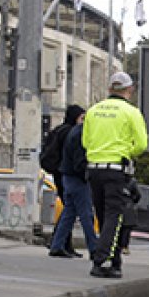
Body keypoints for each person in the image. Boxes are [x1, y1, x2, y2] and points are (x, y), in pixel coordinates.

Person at [82, 71, 149, 278]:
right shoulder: (131, 112)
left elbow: (85, 142)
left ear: (110, 89)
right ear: (129, 90)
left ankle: (114, 259)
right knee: (115, 215)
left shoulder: (93, 111)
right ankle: (102, 260)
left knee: (102, 215)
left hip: (94, 168)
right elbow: (141, 145)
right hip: (116, 170)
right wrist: (125, 152)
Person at [49, 108, 100, 259]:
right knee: (86, 214)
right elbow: (80, 161)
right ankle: (93, 248)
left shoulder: (73, 131)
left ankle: (57, 245)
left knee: (69, 213)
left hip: (67, 176)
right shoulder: (81, 134)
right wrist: (88, 175)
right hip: (77, 178)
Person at [41, 104, 84, 238]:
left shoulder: (58, 130)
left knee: (69, 207)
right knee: (70, 208)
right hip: (65, 172)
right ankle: (59, 240)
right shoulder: (71, 132)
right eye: (82, 118)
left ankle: (62, 241)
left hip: (58, 171)